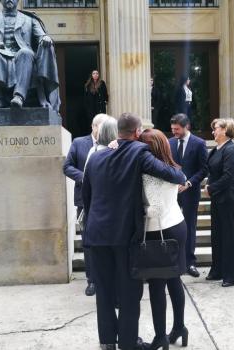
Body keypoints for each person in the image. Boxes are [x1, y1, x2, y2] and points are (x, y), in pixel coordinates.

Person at [82, 113, 185, 350]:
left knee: (104, 290)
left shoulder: (96, 157)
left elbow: (87, 197)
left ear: (118, 131)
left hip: (97, 233)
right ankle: (128, 343)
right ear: (138, 132)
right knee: (129, 292)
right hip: (124, 235)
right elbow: (175, 176)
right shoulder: (139, 153)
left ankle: (107, 340)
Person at [139, 128, 189, 350]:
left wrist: (137, 210)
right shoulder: (173, 168)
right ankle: (179, 327)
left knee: (157, 285)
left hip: (158, 230)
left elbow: (155, 208)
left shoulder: (150, 173)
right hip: (177, 225)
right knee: (175, 279)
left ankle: (161, 336)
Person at [0, 0, 60, 110]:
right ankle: (0, 99)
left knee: (25, 52)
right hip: (1, 55)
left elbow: (41, 36)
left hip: (22, 56)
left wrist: (45, 38)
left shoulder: (30, 19)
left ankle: (19, 96)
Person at [63, 113, 110, 296]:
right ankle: (92, 280)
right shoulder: (78, 143)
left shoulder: (113, 144)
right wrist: (85, 178)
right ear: (94, 127)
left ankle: (107, 277)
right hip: (85, 201)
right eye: (103, 127)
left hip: (107, 201)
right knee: (88, 242)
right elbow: (67, 167)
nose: (106, 131)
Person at [205, 118, 234, 288]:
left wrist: (211, 188)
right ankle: (218, 270)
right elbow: (212, 171)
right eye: (213, 129)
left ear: (226, 130)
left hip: (227, 198)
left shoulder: (231, 150)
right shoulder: (216, 150)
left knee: (228, 236)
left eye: (216, 128)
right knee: (217, 235)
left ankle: (232, 275)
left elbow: (229, 177)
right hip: (217, 198)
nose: (213, 131)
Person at [169, 113, 208, 278]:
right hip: (172, 193)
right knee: (172, 227)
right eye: (172, 129)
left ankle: (190, 262)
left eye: (177, 129)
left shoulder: (199, 143)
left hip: (190, 192)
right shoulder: (169, 142)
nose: (174, 132)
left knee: (190, 227)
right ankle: (175, 262)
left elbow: (204, 168)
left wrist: (189, 183)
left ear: (187, 127)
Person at [84, 70, 108, 135]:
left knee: (101, 122)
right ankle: (94, 135)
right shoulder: (88, 85)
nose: (95, 75)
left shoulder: (102, 83)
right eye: (94, 73)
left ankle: (101, 135)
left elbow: (105, 93)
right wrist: (87, 107)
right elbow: (86, 97)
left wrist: (105, 100)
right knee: (93, 122)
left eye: (97, 73)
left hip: (100, 106)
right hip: (91, 107)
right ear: (91, 75)